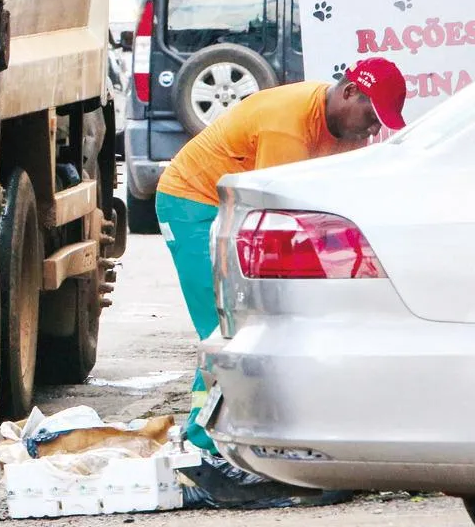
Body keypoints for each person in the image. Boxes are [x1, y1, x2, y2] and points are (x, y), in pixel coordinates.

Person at [156, 57, 407, 452]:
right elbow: (274, 215)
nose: (374, 128)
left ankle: (234, 431)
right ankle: (207, 444)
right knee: (229, 325)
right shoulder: (286, 124)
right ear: (350, 92)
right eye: (372, 115)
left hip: (239, 208)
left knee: (257, 322)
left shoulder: (347, 131)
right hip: (193, 203)